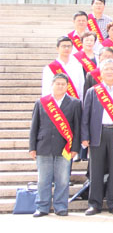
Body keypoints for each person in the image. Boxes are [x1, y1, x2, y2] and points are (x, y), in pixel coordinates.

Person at [81, 59, 113, 215]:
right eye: (106, 69)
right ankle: (94, 204)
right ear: (101, 73)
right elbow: (86, 115)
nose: (109, 72)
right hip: (97, 134)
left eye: (112, 69)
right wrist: (85, 136)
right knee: (96, 170)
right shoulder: (93, 91)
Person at [29, 73, 82, 217]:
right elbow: (34, 126)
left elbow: (77, 127)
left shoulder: (75, 103)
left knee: (63, 180)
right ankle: (42, 207)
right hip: (43, 146)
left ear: (67, 86)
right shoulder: (41, 102)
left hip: (65, 147)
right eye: (57, 83)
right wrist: (32, 147)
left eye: (63, 84)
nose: (60, 86)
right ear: (52, 85)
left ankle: (61, 207)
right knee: (43, 180)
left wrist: (75, 148)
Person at [42, 36, 84, 101]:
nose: (66, 48)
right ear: (57, 48)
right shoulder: (49, 68)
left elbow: (81, 88)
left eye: (69, 46)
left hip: (74, 103)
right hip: (56, 103)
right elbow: (46, 90)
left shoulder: (78, 66)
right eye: (63, 46)